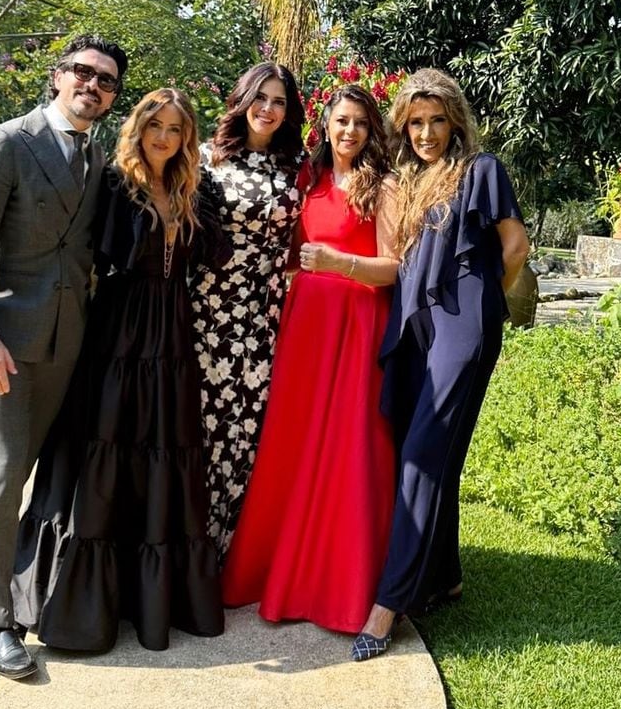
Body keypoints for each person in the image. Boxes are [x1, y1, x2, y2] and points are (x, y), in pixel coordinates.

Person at [12, 88, 230, 653]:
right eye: (156, 126)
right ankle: (76, 604)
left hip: (171, 327)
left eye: (176, 130)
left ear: (187, 138)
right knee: (105, 445)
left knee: (159, 449)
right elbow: (89, 251)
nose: (164, 138)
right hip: (119, 326)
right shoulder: (114, 182)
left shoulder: (191, 188)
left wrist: (194, 204)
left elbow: (215, 252)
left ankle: (146, 598)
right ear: (139, 128)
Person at [0, 33, 127, 680]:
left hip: (65, 340)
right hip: (4, 340)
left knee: (17, 468)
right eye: (83, 72)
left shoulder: (96, 156)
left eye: (106, 80)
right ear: (57, 75)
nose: (92, 85)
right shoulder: (5, 143)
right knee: (2, 471)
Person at [352, 68, 529, 662]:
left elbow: (515, 247)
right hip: (413, 327)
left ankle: (388, 604)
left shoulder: (481, 170)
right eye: (416, 123)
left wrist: (483, 302)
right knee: (431, 450)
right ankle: (445, 576)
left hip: (462, 327)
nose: (426, 133)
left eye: (437, 121)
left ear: (456, 122)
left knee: (422, 455)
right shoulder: (402, 181)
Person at [221, 84, 399, 634]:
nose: (350, 131)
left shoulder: (384, 185)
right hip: (306, 326)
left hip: (358, 325)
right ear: (325, 123)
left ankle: (337, 585)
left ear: (371, 131)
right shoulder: (308, 176)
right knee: (292, 443)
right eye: (342, 120)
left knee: (349, 444)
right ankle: (272, 569)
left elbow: (394, 266)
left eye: (361, 123)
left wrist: (338, 263)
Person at [191, 62, 305, 562]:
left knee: (246, 430)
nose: (268, 109)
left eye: (279, 101)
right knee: (200, 427)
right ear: (242, 100)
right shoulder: (206, 158)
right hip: (206, 312)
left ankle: (227, 554)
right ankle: (185, 550)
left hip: (264, 316)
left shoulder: (299, 165)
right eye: (260, 97)